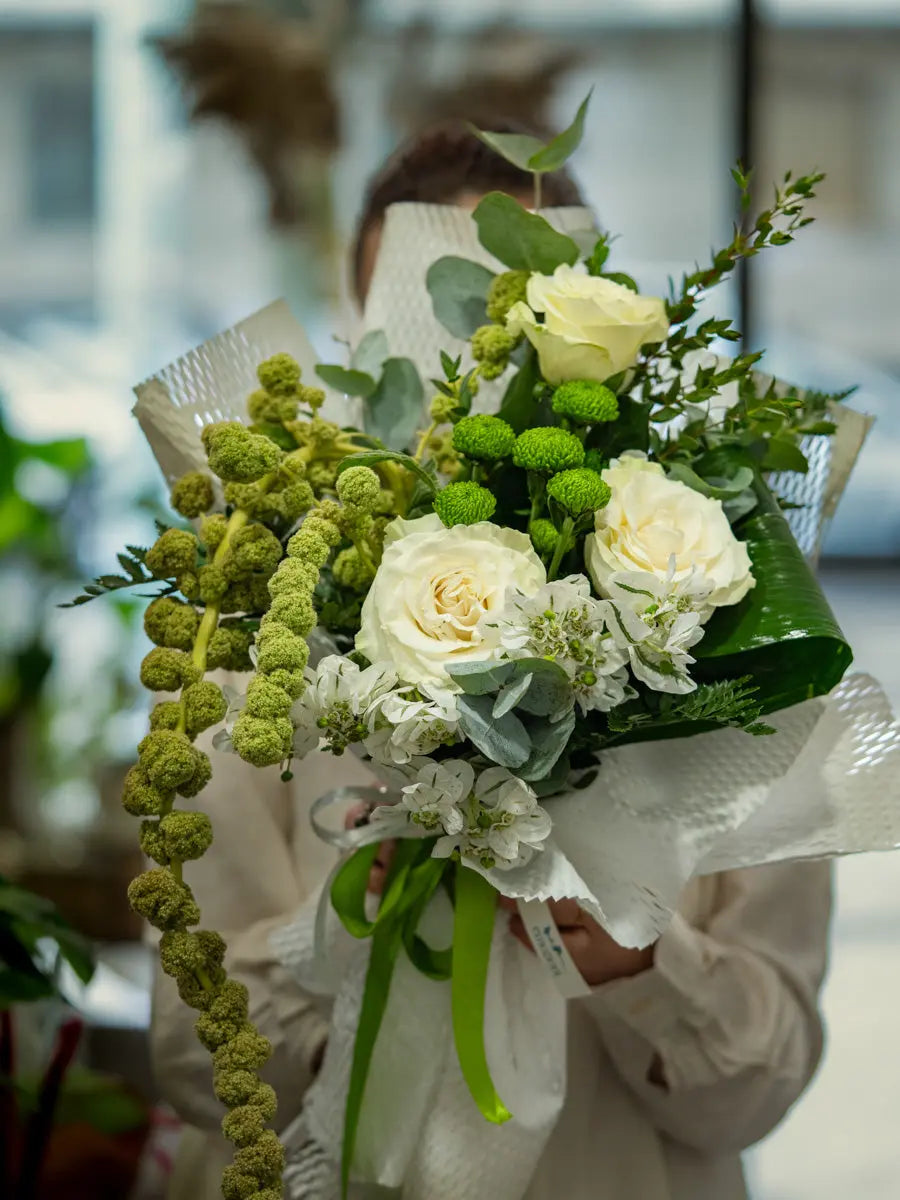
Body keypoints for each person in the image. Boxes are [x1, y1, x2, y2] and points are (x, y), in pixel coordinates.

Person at [149, 119, 832, 1200]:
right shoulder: (256, 645)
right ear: (355, 333)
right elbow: (195, 1054)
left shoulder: (727, 634)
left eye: (532, 332)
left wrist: (647, 967)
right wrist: (339, 937)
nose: (473, 384)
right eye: (429, 327)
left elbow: (766, 1080)